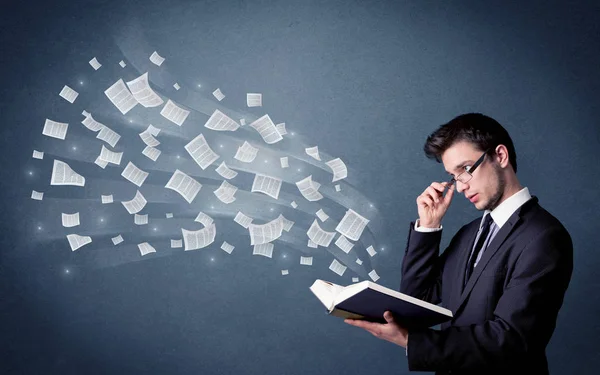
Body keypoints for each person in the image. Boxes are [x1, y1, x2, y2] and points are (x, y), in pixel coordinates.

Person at [344, 113, 573, 375]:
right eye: (454, 176)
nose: (461, 186)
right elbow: (418, 298)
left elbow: (511, 339)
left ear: (500, 156)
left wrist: (411, 341)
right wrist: (428, 226)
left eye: (465, 169)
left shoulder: (544, 236)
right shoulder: (469, 233)